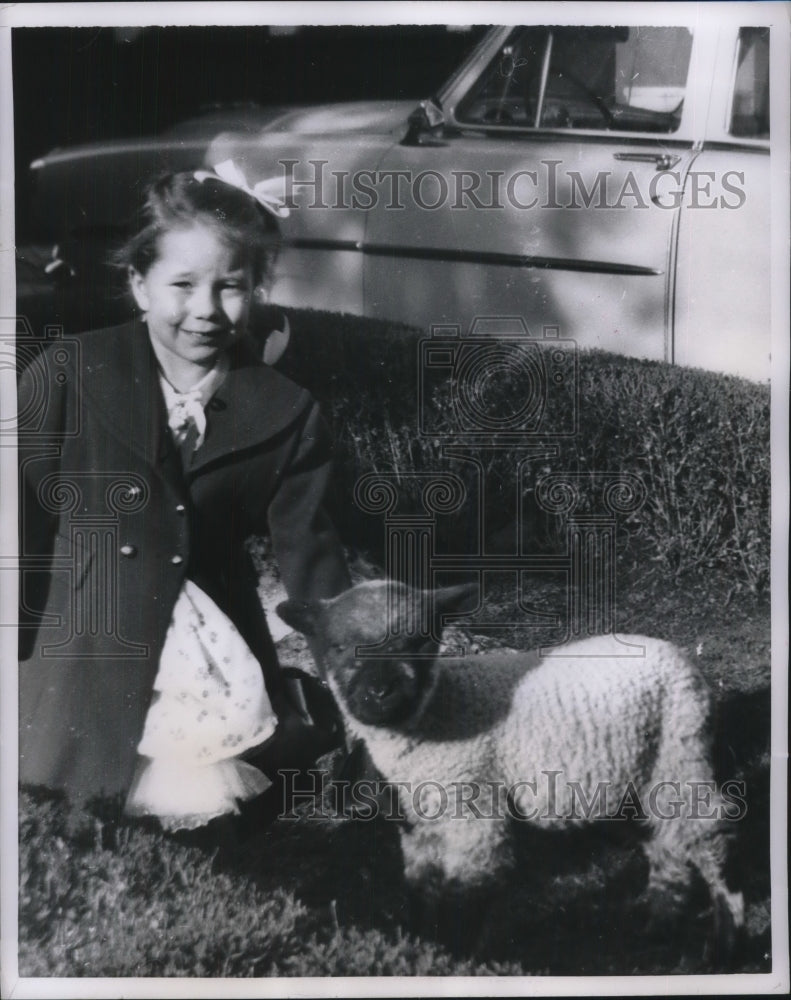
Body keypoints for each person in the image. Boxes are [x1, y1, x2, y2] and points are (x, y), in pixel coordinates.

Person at [18, 164, 350, 835]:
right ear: (139, 285)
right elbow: (17, 512)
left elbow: (309, 554)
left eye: (230, 287)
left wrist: (352, 668)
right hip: (82, 633)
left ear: (255, 289)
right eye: (181, 285)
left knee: (211, 826)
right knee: (66, 811)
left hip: (208, 656)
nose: (205, 310)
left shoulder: (286, 411)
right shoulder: (72, 372)